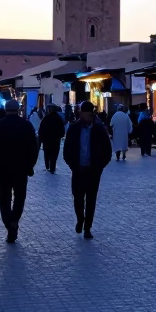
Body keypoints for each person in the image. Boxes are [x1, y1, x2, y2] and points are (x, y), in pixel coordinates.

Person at [0, 99, 39, 243]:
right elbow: (34, 147)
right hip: (21, 169)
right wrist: (30, 165)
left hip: (2, 169)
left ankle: (9, 223)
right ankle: (14, 220)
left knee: (4, 198)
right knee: (20, 197)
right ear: (18, 110)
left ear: (6, 109)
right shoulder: (26, 125)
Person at [62, 100, 111, 239]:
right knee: (78, 197)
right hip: (78, 170)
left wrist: (99, 167)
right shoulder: (74, 128)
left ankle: (87, 227)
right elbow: (67, 151)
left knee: (91, 199)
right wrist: (73, 166)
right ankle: (80, 219)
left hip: (93, 171)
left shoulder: (99, 129)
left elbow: (107, 150)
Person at [38, 106, 65, 173]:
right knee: (54, 154)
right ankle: (52, 167)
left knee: (47, 153)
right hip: (56, 140)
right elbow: (62, 129)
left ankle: (47, 166)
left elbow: (41, 129)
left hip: (46, 140)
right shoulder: (59, 119)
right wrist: (60, 136)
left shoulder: (45, 118)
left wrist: (41, 138)